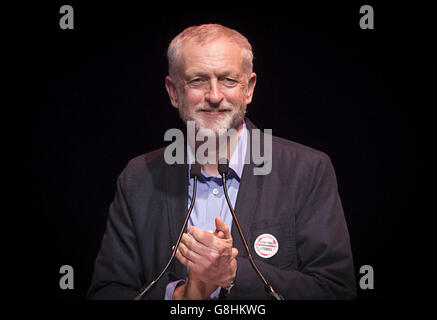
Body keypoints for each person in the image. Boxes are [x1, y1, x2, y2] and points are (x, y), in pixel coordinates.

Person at [87, 24, 356, 300]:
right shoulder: (138, 177)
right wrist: (181, 297)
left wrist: (231, 274)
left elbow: (335, 290)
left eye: (228, 80)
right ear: (173, 91)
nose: (214, 96)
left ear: (249, 88)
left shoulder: (307, 171)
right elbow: (106, 292)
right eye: (197, 81)